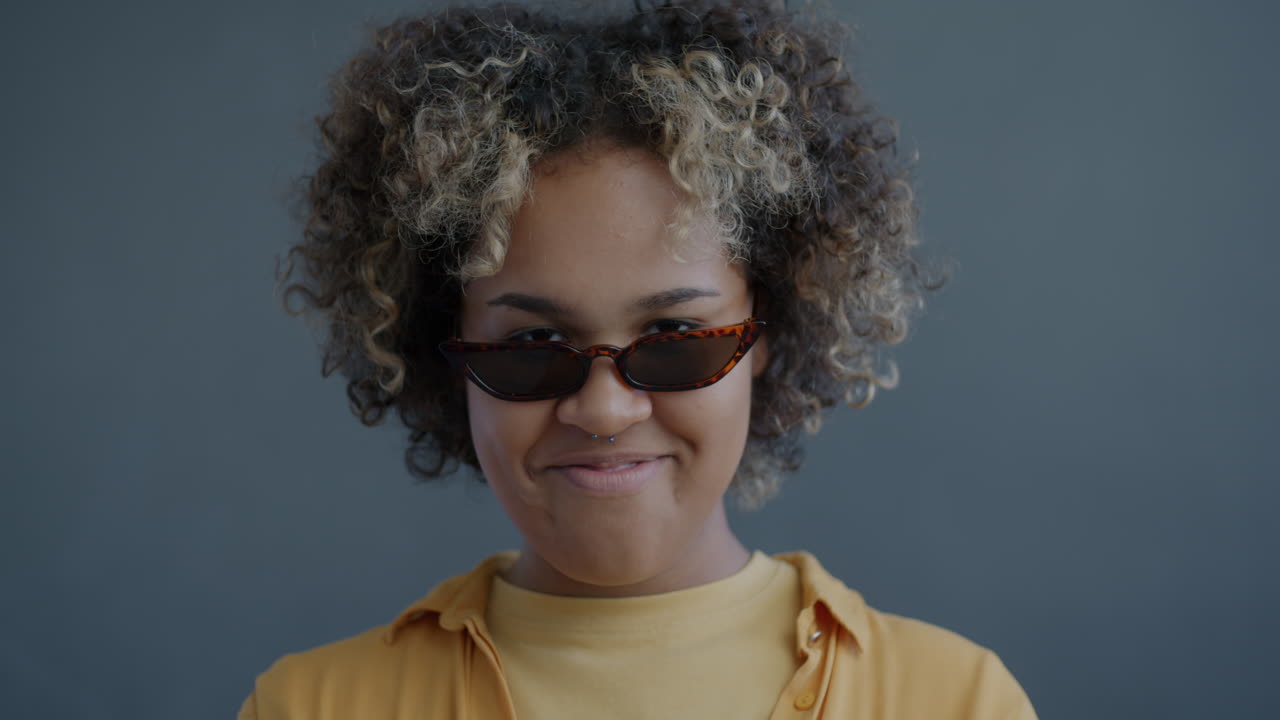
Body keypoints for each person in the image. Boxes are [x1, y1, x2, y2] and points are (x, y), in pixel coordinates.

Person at [240, 1, 1037, 718]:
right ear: (445, 351)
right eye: (532, 346)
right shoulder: (315, 707)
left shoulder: (955, 701)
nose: (605, 408)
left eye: (675, 337)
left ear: (765, 335)